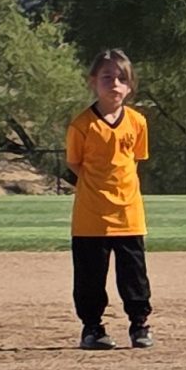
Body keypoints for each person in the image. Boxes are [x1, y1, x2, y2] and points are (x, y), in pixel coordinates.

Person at [65, 49, 154, 350]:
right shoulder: (82, 125)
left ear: (130, 86)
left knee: (134, 276)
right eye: (107, 77)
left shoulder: (137, 122)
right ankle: (93, 327)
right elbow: (75, 163)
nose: (114, 84)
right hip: (91, 216)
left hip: (128, 213)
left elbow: (135, 159)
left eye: (121, 79)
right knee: (90, 276)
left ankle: (139, 324)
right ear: (93, 82)